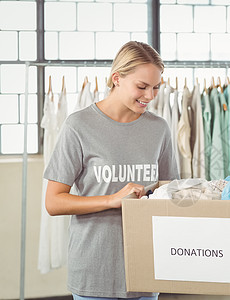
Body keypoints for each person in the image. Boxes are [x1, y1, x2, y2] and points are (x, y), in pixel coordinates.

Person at [44, 41, 179, 300]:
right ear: (116, 78)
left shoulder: (159, 128)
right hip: (94, 271)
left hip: (146, 269)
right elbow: (53, 202)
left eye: (156, 88)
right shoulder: (79, 125)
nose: (149, 96)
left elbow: (168, 192)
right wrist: (111, 200)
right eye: (141, 86)